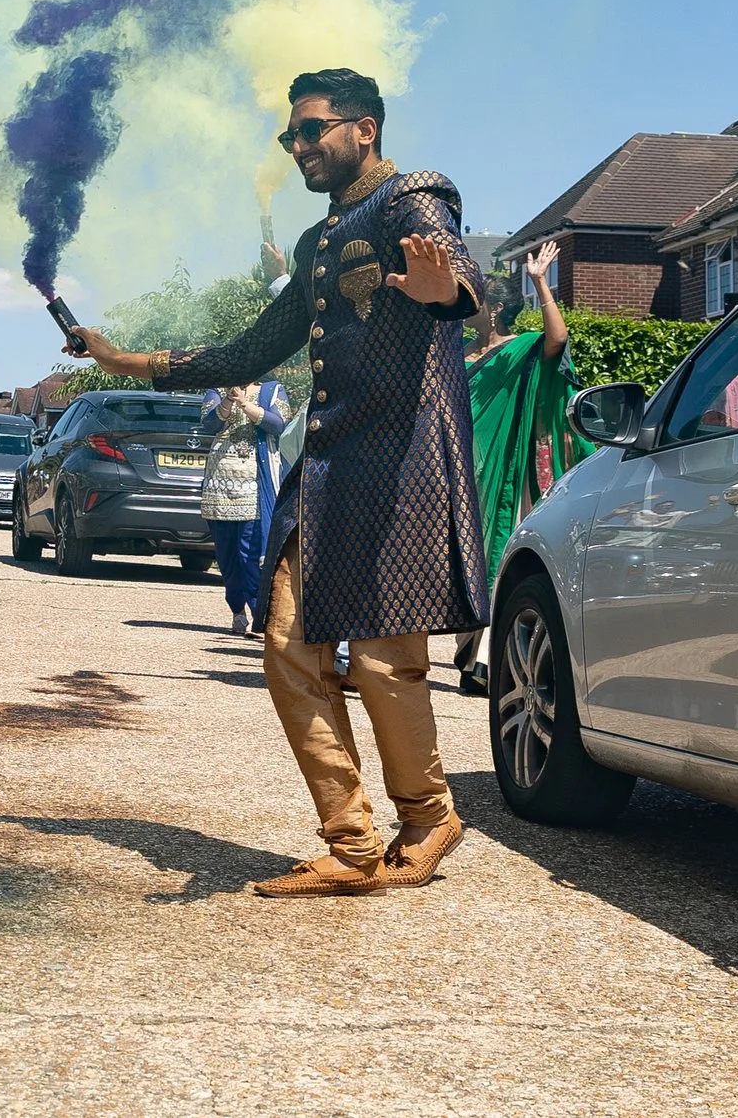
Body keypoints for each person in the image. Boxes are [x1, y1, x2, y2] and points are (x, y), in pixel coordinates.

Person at [72, 68, 487, 899]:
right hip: (329, 470)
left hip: (402, 465)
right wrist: (120, 357)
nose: (297, 146)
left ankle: (429, 812)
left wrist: (451, 290)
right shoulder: (317, 244)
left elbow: (458, 276)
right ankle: (354, 843)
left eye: (311, 130)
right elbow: (244, 354)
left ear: (362, 129)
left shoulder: (414, 195)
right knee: (287, 645)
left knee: (381, 659)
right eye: (289, 136)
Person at [455, 239, 580, 693]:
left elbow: (558, 339)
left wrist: (541, 284)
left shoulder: (520, 348)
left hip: (500, 468)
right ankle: (469, 649)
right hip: (456, 466)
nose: (465, 307)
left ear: (497, 308)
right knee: (462, 556)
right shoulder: (457, 350)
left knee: (494, 552)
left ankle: (486, 660)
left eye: (474, 300)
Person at [199, 381, 288, 638]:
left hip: (255, 486)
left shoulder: (271, 391)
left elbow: (278, 424)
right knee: (227, 556)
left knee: (252, 553)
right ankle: (237, 611)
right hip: (219, 486)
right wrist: (228, 400)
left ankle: (260, 615)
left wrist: (245, 404)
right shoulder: (216, 391)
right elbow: (208, 425)